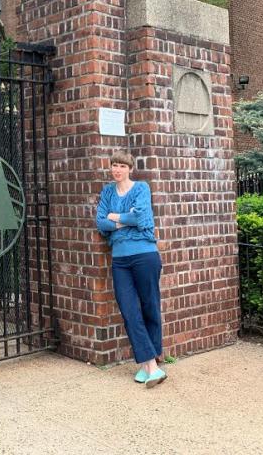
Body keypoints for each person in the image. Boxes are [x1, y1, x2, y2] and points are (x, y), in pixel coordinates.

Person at [95, 151, 166, 389]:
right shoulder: (107, 192)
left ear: (129, 168)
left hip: (145, 255)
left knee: (149, 307)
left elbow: (143, 219)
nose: (117, 169)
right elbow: (101, 223)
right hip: (120, 260)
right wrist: (124, 219)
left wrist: (115, 218)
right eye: (114, 165)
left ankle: (150, 363)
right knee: (129, 311)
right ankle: (152, 367)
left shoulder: (141, 189)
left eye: (121, 166)